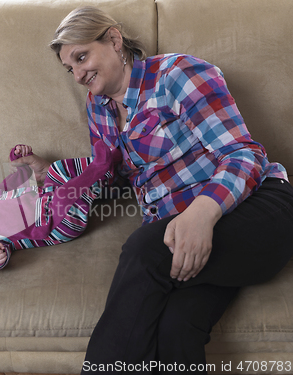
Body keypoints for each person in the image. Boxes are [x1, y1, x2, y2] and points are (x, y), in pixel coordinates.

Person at [15, 5, 293, 374]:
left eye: (82, 57)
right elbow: (110, 177)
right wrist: (50, 177)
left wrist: (201, 212)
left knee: (144, 250)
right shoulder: (98, 109)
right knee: (176, 328)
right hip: (186, 237)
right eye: (70, 68)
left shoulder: (177, 75)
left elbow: (244, 154)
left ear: (114, 40)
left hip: (257, 209)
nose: (78, 74)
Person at [0, 141, 122, 271]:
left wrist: (19, 159)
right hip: (54, 225)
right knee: (64, 195)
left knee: (56, 170)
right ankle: (97, 169)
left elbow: (16, 179)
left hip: (49, 199)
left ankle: (107, 171)